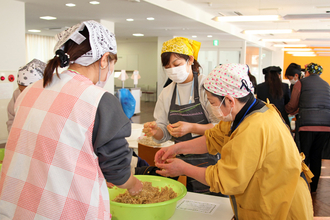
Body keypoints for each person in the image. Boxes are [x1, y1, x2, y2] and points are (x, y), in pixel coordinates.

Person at [0, 20, 142, 219]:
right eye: (111, 64)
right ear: (104, 59)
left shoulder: (30, 90)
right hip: (63, 210)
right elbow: (117, 170)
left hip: (16, 206)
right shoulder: (98, 99)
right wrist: (134, 185)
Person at [154, 63, 313, 220]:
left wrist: (183, 168)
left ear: (229, 100)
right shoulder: (244, 113)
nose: (213, 108)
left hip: (280, 205)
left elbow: (225, 179)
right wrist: (177, 149)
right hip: (270, 195)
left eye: (213, 103)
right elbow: (213, 139)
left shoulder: (253, 127)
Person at [143, 37, 220, 193]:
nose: (172, 70)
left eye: (176, 65)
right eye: (167, 67)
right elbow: (163, 133)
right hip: (179, 158)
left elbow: (221, 129)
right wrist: (155, 131)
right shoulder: (167, 92)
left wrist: (192, 127)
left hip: (209, 160)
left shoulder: (206, 87)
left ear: (190, 60)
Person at [285, 62, 330, 193]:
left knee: (304, 155)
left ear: (307, 72)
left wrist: (285, 110)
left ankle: (303, 185)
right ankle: (314, 187)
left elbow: (293, 105)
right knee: (317, 156)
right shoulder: (327, 85)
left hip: (307, 126)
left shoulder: (301, 83)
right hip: (326, 126)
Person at [6, 59, 46, 133]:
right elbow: (11, 119)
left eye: (27, 91)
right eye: (21, 90)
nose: (22, 94)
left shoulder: (48, 97)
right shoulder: (16, 94)